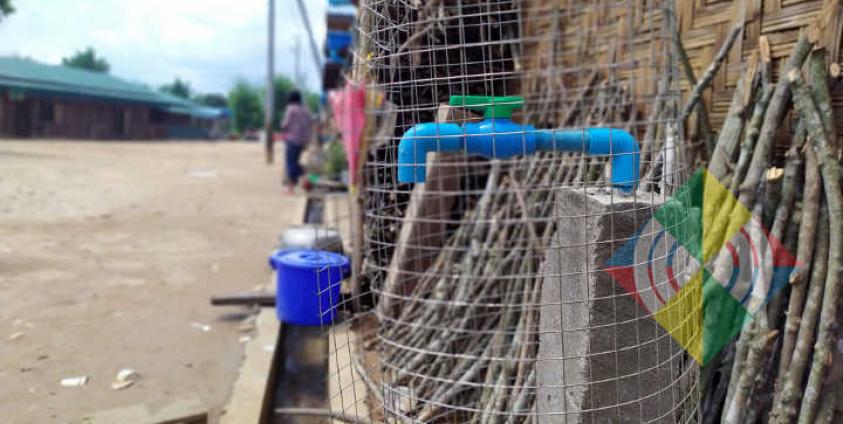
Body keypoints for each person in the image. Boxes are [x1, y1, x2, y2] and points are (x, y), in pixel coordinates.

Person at [279, 90, 313, 194]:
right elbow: (310, 122)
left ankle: (304, 175)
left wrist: (282, 125)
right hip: (303, 141)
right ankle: (293, 186)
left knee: (290, 163)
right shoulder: (306, 110)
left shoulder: (291, 109)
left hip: (292, 139)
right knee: (294, 162)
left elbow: (285, 124)